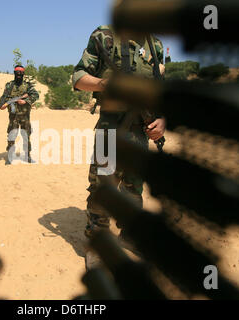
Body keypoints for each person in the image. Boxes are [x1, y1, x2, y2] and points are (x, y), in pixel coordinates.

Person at [72, 25, 167, 241]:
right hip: (110, 128)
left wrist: (162, 120)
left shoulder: (155, 45)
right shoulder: (104, 36)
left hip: (140, 131)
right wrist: (105, 84)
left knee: (134, 189)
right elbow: (78, 77)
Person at [0, 65, 39, 164]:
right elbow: (3, 97)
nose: (19, 75)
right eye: (17, 72)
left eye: (21, 73)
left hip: (25, 115)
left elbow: (35, 95)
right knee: (11, 136)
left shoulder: (28, 85)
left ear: (23, 74)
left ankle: (27, 156)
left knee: (26, 136)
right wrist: (1, 105)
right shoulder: (9, 85)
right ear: (14, 73)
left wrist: (26, 101)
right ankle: (10, 157)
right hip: (13, 116)